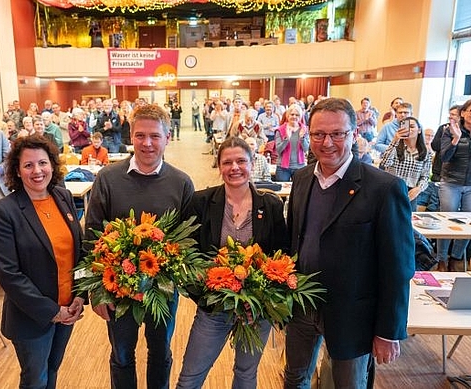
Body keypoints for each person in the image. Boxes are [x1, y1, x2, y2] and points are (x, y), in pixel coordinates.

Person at [284, 97, 415, 388]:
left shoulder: (384, 188)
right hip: (302, 304)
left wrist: (388, 330)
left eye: (337, 134)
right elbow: (296, 239)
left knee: (348, 383)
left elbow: (398, 266)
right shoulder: (302, 179)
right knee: (295, 378)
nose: (327, 142)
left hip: (351, 311)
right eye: (318, 134)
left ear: (354, 134)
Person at [84, 104, 194, 389]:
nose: (147, 143)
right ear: (130, 136)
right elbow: (92, 235)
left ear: (167, 138)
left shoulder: (181, 183)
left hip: (163, 293)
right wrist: (96, 293)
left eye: (155, 136)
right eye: (140, 135)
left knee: (160, 353)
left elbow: (191, 241)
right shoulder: (107, 179)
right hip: (117, 290)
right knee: (122, 355)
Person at [176, 137, 288, 388]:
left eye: (241, 161)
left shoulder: (270, 205)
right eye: (227, 162)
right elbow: (185, 252)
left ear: (252, 163)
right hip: (214, 309)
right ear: (219, 166)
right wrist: (206, 294)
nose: (234, 167)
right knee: (190, 377)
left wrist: (261, 298)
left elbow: (282, 255)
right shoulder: (201, 202)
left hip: (257, 310)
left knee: (246, 373)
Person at [0, 135, 84, 389]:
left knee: (52, 370)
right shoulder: (4, 211)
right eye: (28, 165)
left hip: (68, 307)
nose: (37, 171)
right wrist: (52, 312)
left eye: (42, 163)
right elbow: (9, 275)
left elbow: (80, 252)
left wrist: (81, 295)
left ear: (52, 165)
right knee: (35, 379)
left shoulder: (62, 197)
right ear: (17, 172)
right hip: (32, 317)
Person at [436, 100, 471, 272]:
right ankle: (441, 259)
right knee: (446, 221)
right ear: (463, 113)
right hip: (451, 182)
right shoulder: (449, 131)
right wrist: (456, 139)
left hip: (470, 185)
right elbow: (444, 157)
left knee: (467, 224)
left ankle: (456, 258)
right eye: (470, 110)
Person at [379, 116, 431, 211]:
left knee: (408, 222)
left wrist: (418, 188)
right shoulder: (396, 146)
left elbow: (426, 176)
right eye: (405, 127)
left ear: (419, 130)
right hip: (392, 189)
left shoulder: (425, 152)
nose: (409, 130)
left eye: (412, 127)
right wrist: (395, 140)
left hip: (412, 191)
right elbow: (385, 163)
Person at [274, 104, 309, 181]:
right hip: (283, 167)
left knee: (299, 191)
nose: (294, 117)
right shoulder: (280, 130)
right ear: (287, 115)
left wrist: (302, 138)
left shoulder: (304, 130)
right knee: (282, 191)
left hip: (299, 167)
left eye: (297, 115)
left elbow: (306, 149)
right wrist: (287, 138)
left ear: (300, 117)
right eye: (292, 114)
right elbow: (279, 150)